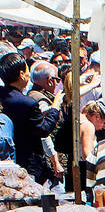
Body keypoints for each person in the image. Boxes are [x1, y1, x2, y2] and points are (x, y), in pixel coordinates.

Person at [0, 50, 62, 184]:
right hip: (27, 164)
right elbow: (44, 129)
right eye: (27, 71)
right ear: (22, 75)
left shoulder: (4, 96)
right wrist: (55, 108)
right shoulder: (27, 103)